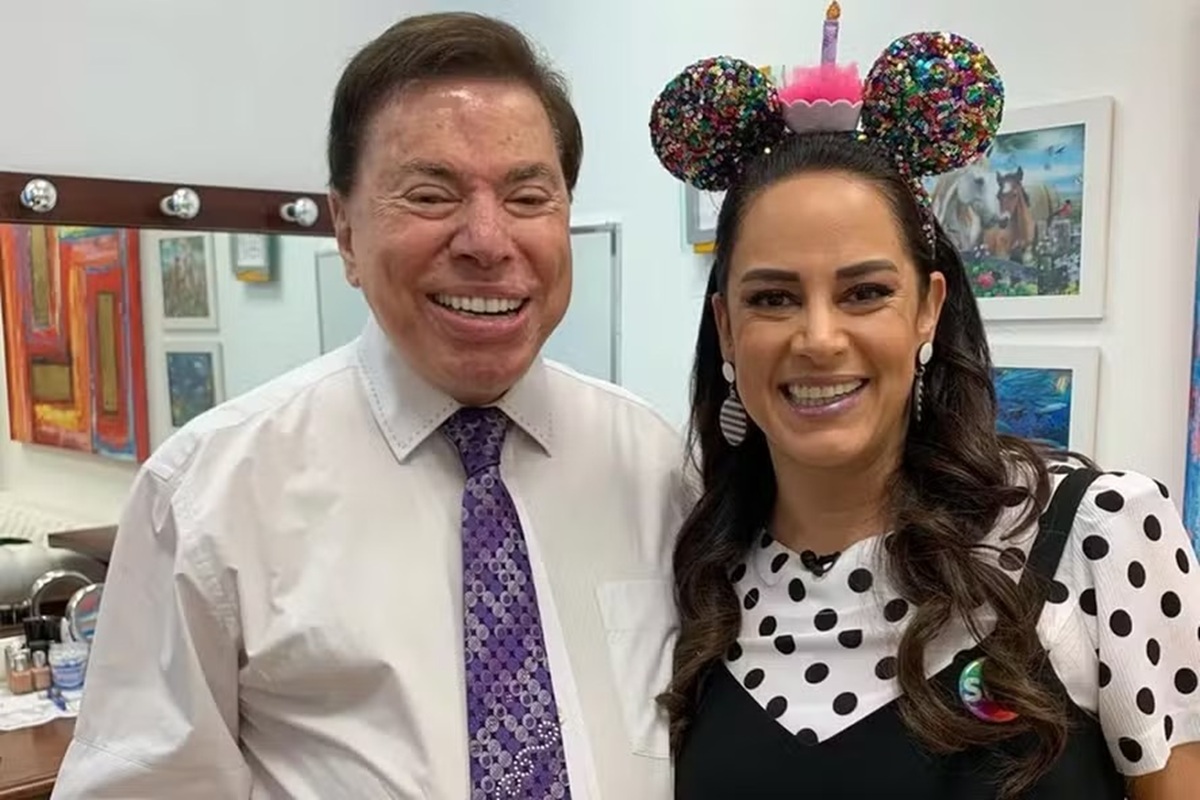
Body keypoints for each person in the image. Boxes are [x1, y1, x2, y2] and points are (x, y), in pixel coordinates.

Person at [52, 12, 685, 799]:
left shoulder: (655, 466)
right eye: (431, 194)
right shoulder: (210, 494)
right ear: (346, 231)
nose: (488, 240)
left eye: (528, 197)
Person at [648, 23, 1200, 800]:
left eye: (865, 292)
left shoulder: (1094, 533)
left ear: (928, 310)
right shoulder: (698, 576)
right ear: (727, 328)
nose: (818, 338)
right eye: (772, 298)